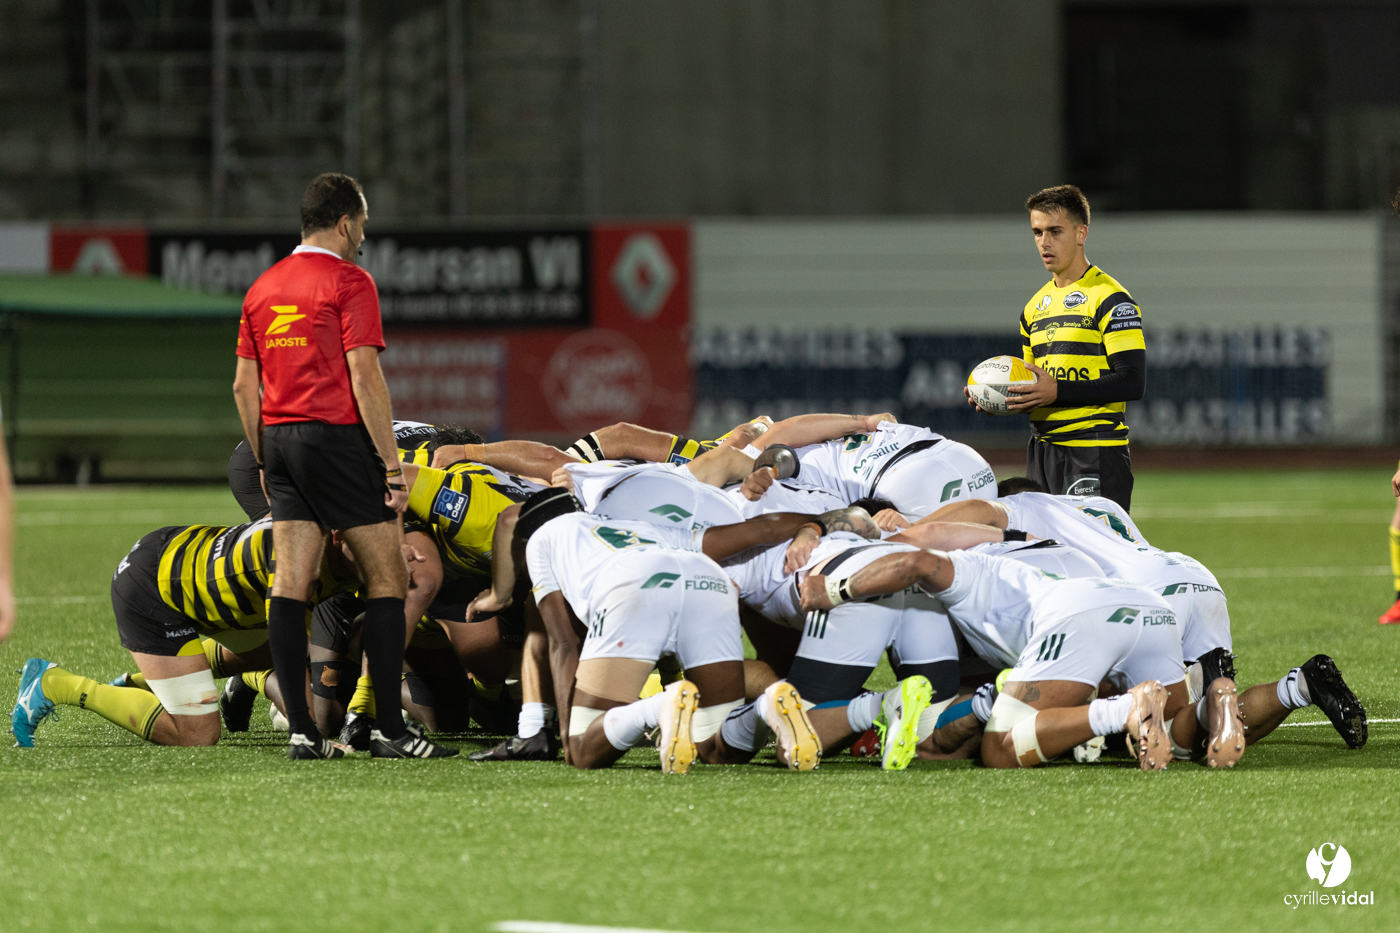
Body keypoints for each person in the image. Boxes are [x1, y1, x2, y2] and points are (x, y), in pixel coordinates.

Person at [231, 172, 454, 760]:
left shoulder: (262, 287)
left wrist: (262, 458)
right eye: (362, 226)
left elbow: (242, 387)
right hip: (335, 439)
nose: (362, 238)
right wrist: (391, 466)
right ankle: (389, 728)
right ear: (345, 222)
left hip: (278, 440)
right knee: (389, 579)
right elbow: (365, 377)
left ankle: (303, 732)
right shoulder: (350, 281)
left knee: (291, 582)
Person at [11, 517, 354, 747]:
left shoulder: (318, 529)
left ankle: (140, 683)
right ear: (337, 536)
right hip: (152, 589)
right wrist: (309, 735)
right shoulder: (300, 565)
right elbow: (290, 652)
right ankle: (60, 684)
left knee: (283, 649)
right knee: (197, 734)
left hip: (182, 556)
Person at [970, 185, 1145, 511]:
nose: (1044, 242)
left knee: (1097, 557)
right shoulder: (1033, 308)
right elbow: (1037, 387)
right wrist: (999, 395)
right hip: (1043, 451)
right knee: (1047, 555)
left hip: (1093, 450)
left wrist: (1058, 391)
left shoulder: (1112, 300)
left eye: (1054, 231)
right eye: (1037, 232)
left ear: (1081, 233)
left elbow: (1133, 382)